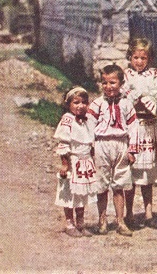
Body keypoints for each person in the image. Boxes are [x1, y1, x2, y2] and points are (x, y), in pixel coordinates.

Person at [88, 64, 138, 236]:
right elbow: (89, 126)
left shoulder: (126, 104)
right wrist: (91, 146)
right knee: (101, 184)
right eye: (104, 83)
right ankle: (102, 220)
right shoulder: (97, 104)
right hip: (102, 144)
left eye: (113, 83)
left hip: (120, 145)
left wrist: (132, 150)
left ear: (121, 83)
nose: (108, 87)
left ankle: (120, 221)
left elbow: (133, 127)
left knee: (119, 185)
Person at [122, 38, 157, 229]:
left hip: (148, 126)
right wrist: (138, 96)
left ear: (149, 58)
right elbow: (123, 98)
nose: (139, 61)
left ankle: (148, 213)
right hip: (132, 126)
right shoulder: (125, 74)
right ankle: (129, 213)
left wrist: (140, 96)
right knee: (130, 173)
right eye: (136, 57)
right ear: (130, 57)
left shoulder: (156, 74)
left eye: (143, 58)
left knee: (147, 175)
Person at [54, 87, 100, 238]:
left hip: (85, 162)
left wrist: (92, 159)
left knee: (82, 194)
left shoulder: (88, 121)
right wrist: (65, 164)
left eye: (84, 102)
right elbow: (64, 143)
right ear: (68, 104)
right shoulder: (68, 119)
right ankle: (69, 223)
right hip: (73, 161)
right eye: (76, 102)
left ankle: (81, 223)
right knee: (70, 193)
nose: (80, 106)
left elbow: (91, 143)